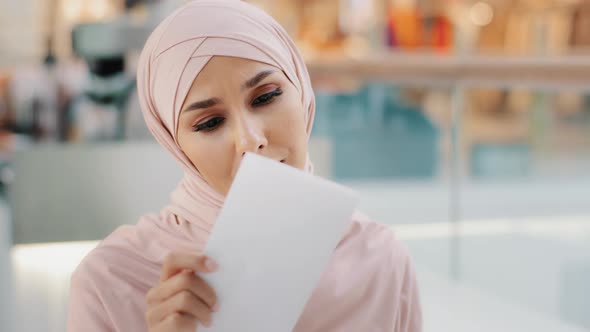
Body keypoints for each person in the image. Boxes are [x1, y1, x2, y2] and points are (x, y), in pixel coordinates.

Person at [67, 1, 422, 331]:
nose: (250, 140)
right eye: (209, 123)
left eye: (266, 97)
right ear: (176, 146)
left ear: (302, 91)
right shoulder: (112, 282)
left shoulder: (380, 260)